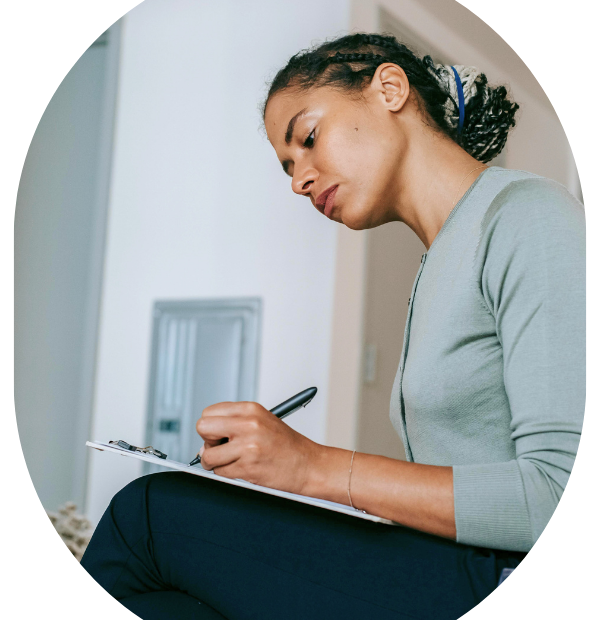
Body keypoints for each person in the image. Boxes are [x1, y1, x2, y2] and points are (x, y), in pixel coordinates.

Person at [80, 33, 586, 619]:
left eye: (309, 138)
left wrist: (311, 467)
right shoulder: (440, 261)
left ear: (389, 90)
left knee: (146, 515)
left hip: (490, 574)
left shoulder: (528, 216)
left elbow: (553, 492)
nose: (299, 180)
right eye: (289, 167)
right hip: (449, 562)